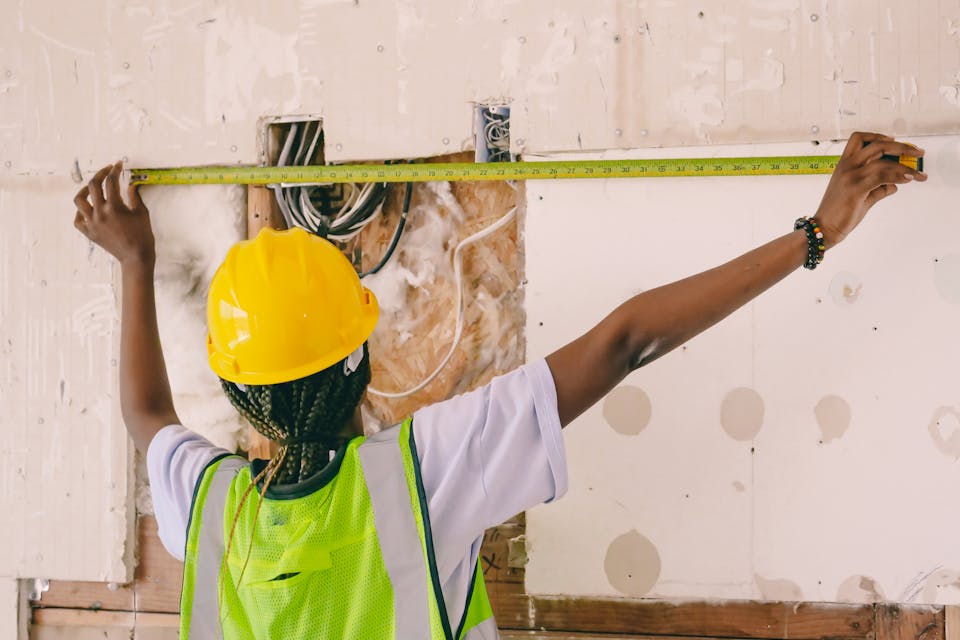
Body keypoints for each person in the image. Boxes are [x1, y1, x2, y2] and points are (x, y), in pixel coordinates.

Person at [72, 132, 925, 639]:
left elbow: (145, 414)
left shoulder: (208, 508)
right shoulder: (423, 474)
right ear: (357, 357)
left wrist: (134, 259)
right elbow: (626, 342)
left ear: (235, 385)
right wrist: (818, 233)